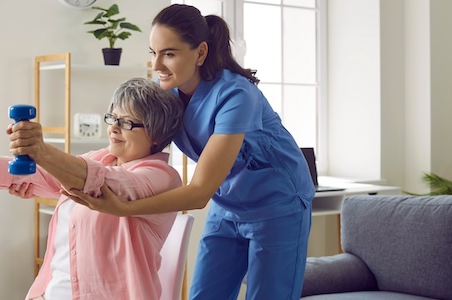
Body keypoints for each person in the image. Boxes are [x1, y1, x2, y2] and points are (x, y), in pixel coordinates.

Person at [54, 4, 316, 300]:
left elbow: (200, 190)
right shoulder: (167, 93)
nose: (156, 66)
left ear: (200, 53)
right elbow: (136, 141)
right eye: (153, 53)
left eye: (169, 53)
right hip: (228, 203)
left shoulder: (237, 95)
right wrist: (89, 169)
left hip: (277, 204)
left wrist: (124, 209)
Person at [0, 78, 184, 300]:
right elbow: (23, 173)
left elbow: (103, 183)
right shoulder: (100, 157)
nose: (113, 128)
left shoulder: (161, 177)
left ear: (156, 134)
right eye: (112, 118)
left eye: (127, 123)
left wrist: (42, 151)